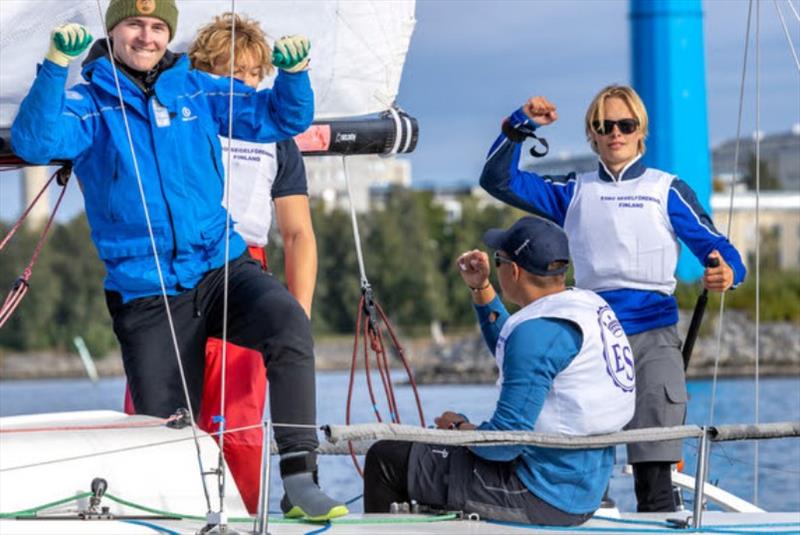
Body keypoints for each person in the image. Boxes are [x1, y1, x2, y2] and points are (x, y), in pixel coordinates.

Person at [11, 0, 345, 521]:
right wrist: (55, 65)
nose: (146, 37)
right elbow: (35, 142)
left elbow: (281, 117)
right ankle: (180, 517)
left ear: (169, 35)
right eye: (134, 25)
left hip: (221, 267)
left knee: (288, 325)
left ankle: (299, 477)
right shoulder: (89, 104)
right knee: (167, 431)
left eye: (157, 27)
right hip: (148, 290)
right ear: (113, 29)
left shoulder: (198, 89)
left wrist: (294, 75)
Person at [479, 86, 747, 512]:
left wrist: (727, 274)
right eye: (604, 126)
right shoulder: (574, 191)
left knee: (655, 469)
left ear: (641, 131)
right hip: (593, 340)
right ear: (592, 134)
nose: (615, 134)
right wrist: (519, 125)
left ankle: (660, 514)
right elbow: (497, 180)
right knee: (585, 467)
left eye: (625, 125)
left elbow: (720, 249)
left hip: (654, 338)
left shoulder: (668, 190)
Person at [363, 216, 636, 525]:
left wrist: (458, 429)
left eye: (499, 261)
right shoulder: (587, 305)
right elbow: (524, 357)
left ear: (515, 271)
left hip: (541, 494)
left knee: (386, 457)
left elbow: (504, 446)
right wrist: (482, 289)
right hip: (585, 487)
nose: (497, 267)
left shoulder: (536, 333)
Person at [188, 12, 320, 516]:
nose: (238, 83)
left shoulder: (276, 136)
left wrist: (297, 318)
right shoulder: (185, 116)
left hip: (246, 267)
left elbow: (298, 232)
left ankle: (244, 512)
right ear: (203, 71)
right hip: (181, 264)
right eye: (226, 72)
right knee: (165, 400)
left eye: (248, 74)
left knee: (238, 415)